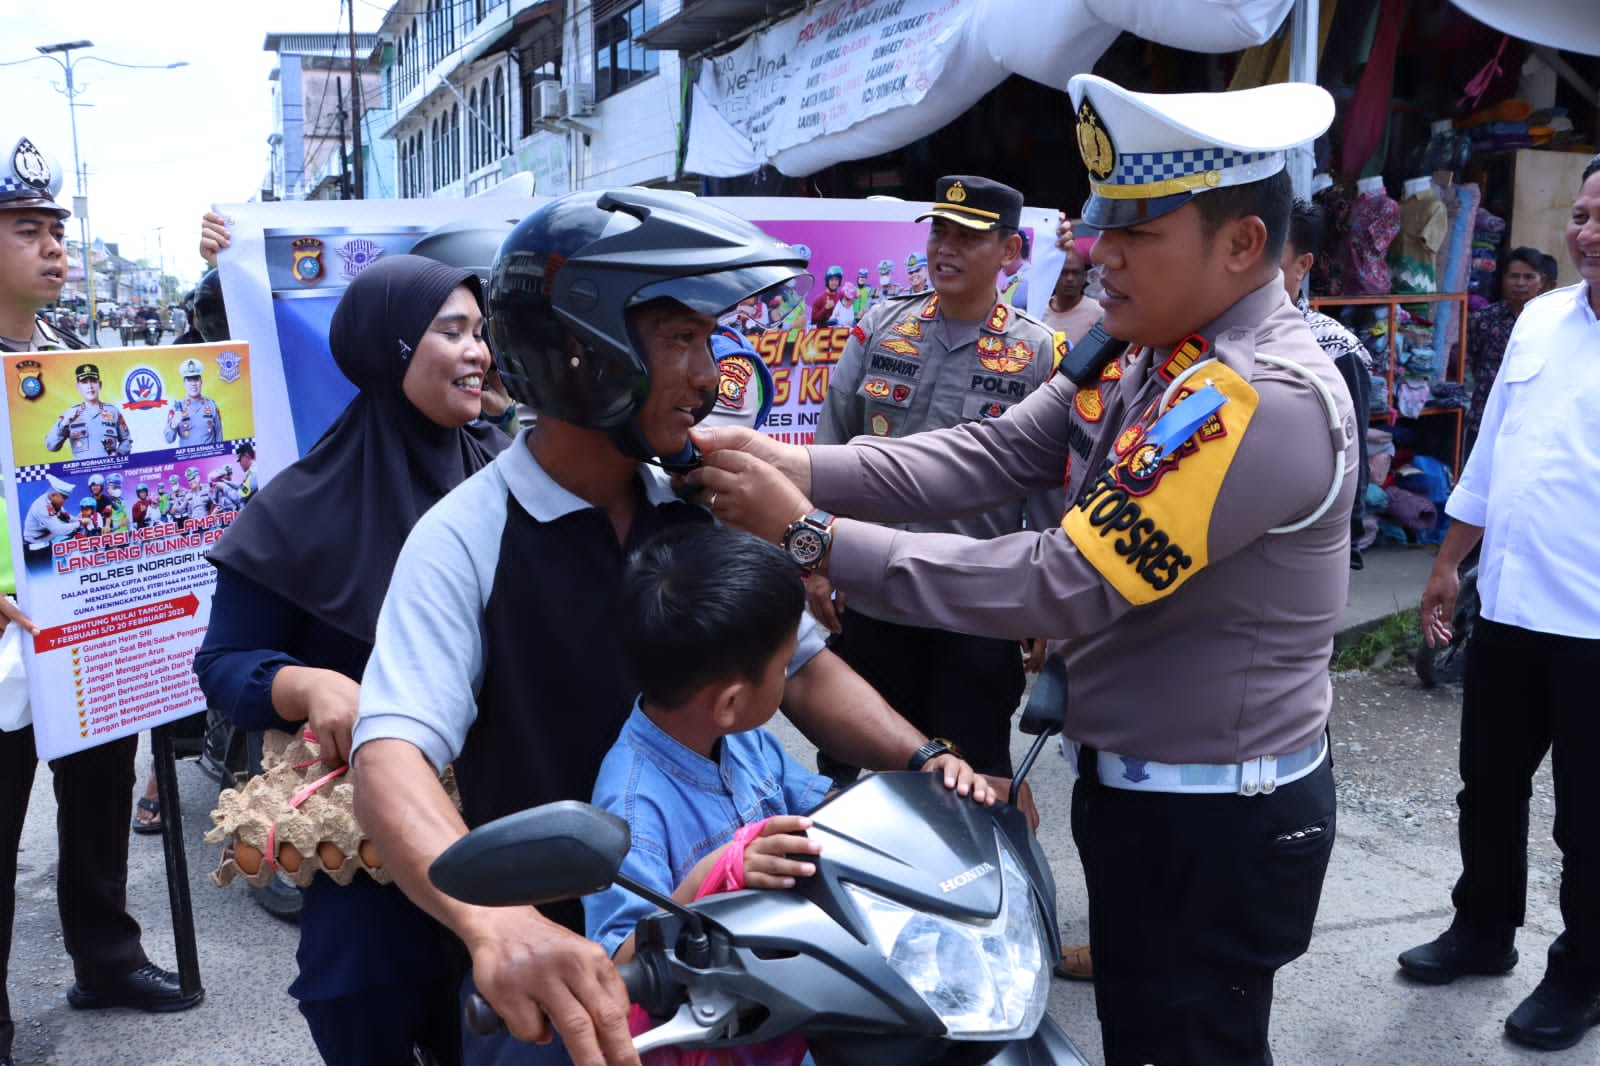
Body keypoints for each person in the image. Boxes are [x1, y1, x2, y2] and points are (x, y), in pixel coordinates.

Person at [687, 74, 1355, 1066]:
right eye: (1101, 227)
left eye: (1137, 233)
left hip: (1215, 819)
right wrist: (789, 461)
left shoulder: (1255, 398)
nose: (1098, 254)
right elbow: (989, 453)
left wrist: (815, 537)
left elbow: (1060, 580)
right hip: (1141, 794)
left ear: (1241, 244)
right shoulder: (1143, 349)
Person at [350, 188, 997, 1066]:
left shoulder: (699, 507)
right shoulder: (466, 535)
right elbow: (392, 755)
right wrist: (498, 925)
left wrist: (925, 766)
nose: (711, 375)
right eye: (681, 340)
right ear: (586, 353)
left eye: (708, 339)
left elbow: (801, 669)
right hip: (574, 987)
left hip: (752, 964)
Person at [194, 255, 507, 1065]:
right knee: (357, 987)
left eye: (482, 332)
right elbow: (225, 663)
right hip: (370, 830)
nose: (478, 352)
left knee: (497, 1009)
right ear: (388, 347)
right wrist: (308, 684)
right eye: (452, 332)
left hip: (511, 800)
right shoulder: (298, 504)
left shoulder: (514, 475)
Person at [1, 131, 201, 1066]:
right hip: (4, 637)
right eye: (25, 228)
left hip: (83, 623)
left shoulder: (72, 355)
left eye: (55, 228)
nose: (51, 246)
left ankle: (106, 959)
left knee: (95, 798)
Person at [1397, 154, 1600, 1054]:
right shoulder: (1542, 318)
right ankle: (1482, 931)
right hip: (1512, 604)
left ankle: (1584, 972)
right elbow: (1491, 449)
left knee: (1590, 817)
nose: (1587, 231)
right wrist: (1448, 562)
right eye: (1584, 213)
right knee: (1489, 788)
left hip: (1595, 626)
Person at [808, 174, 1061, 788]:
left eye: (967, 237)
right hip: (868, 600)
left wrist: (1050, 607)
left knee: (973, 778)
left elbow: (1054, 492)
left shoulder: (1038, 352)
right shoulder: (879, 328)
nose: (945, 248)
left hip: (974, 609)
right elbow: (829, 448)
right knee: (845, 772)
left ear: (1010, 252)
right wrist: (812, 561)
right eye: (939, 232)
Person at [1282, 198, 1372, 569]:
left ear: (1303, 265)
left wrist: (1344, 537)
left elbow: (1352, 449)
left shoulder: (1334, 348)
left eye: (1268, 254)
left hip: (1305, 531)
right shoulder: (1217, 333)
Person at [1464, 246, 1545, 457]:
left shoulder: (1551, 322)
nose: (1520, 283)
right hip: (1485, 416)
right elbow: (1470, 360)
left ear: (1541, 281)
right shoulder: (1483, 319)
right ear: (1504, 279)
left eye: (1528, 277)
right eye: (1514, 276)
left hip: (1533, 421)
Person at [45, 362, 133, 459]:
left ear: (100, 384)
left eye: (93, 381)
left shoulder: (113, 412)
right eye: (84, 382)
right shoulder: (69, 414)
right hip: (82, 471)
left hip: (110, 469)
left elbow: (126, 440)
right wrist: (63, 424)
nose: (90, 386)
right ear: (78, 387)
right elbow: (51, 446)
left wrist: (119, 454)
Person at [1039, 243, 1102, 345]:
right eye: (1064, 273)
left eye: (1075, 273)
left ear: (1084, 277)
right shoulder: (1038, 311)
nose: (1070, 279)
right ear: (1053, 275)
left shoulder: (1098, 313)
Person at [164, 357, 223, 445]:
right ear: (184, 383)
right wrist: (173, 425)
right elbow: (169, 439)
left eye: (196, 379)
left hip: (210, 457)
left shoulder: (212, 405)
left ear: (201, 381)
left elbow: (219, 435)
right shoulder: (177, 408)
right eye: (189, 380)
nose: (193, 384)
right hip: (188, 458)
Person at [22, 475, 77, 553]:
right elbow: (58, 530)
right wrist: (79, 523)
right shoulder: (42, 507)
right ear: (53, 495)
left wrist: (79, 520)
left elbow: (66, 516)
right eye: (64, 497)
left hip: (45, 543)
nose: (65, 501)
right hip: (36, 549)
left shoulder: (53, 503)